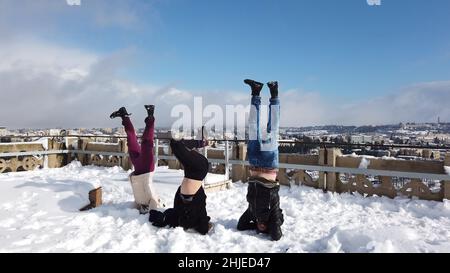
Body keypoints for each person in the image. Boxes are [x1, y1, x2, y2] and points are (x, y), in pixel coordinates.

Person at [237, 79, 284, 241]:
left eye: (259, 228)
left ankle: (256, 92)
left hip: (254, 161)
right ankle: (274, 95)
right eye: (264, 229)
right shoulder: (274, 213)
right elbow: (277, 236)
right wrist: (272, 225)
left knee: (252, 126)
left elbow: (241, 225)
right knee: (273, 129)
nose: (261, 227)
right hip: (269, 164)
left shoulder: (253, 212)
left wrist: (255, 224)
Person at [148, 135, 212, 235]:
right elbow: (203, 221)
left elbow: (200, 218)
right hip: (198, 170)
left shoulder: (182, 210)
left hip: (194, 172)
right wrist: (204, 227)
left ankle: (201, 142)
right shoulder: (193, 209)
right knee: (176, 144)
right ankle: (201, 142)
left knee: (176, 144)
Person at [110, 105, 163, 214]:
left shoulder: (140, 202)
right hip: (147, 168)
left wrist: (137, 208)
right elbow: (154, 205)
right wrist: (153, 213)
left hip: (138, 167)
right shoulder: (153, 200)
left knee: (131, 140)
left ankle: (124, 115)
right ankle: (151, 116)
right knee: (146, 142)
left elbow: (135, 204)